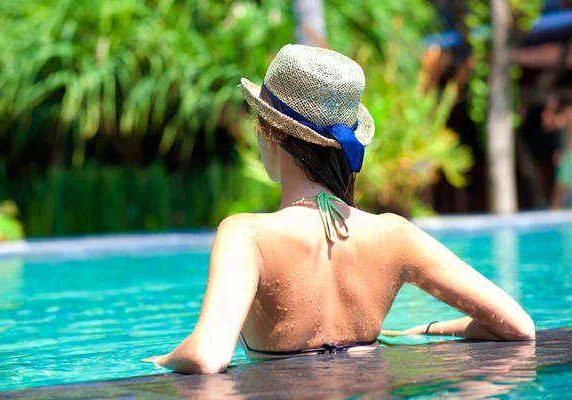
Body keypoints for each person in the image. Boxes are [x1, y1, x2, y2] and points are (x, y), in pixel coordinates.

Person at [142, 45, 535, 373]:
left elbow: (207, 356)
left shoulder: (246, 235)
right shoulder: (394, 234)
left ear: (271, 134)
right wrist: (428, 330)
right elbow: (519, 327)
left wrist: (161, 359)